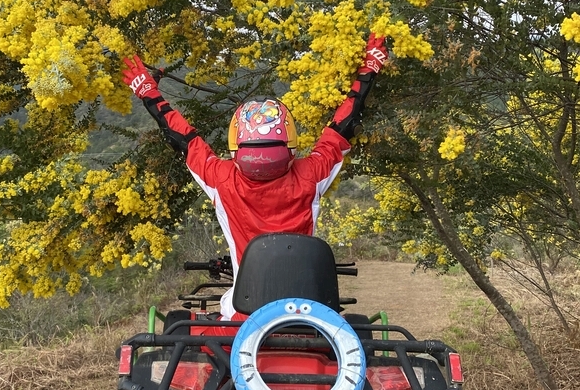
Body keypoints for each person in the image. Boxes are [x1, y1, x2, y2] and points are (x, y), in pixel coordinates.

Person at [122, 34, 388, 318]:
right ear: (289, 143)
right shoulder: (311, 175)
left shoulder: (221, 179)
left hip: (246, 315)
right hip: (307, 315)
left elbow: (182, 137)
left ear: (237, 145)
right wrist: (369, 67)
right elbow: (343, 126)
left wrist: (148, 92)